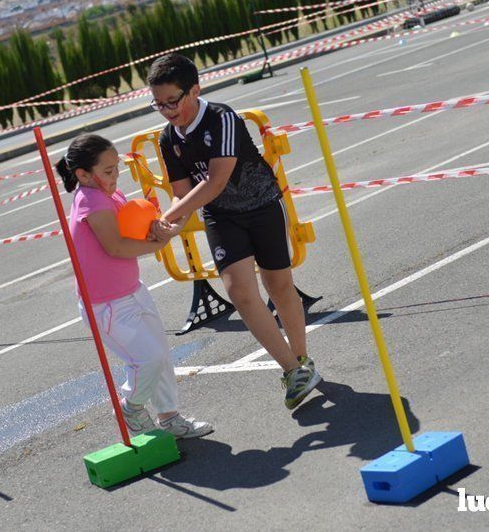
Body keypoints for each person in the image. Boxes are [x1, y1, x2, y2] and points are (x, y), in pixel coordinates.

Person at [147, 53, 321, 410]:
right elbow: (184, 196)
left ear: (194, 90)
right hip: (222, 216)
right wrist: (166, 229)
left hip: (261, 205)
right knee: (240, 293)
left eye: (172, 102)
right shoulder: (168, 139)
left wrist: (169, 215)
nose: (167, 111)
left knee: (278, 285)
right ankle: (291, 370)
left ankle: (302, 358)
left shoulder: (222, 118)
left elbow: (215, 180)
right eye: (158, 105)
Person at [56, 133, 213, 438]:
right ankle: (131, 405)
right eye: (108, 171)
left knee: (161, 356)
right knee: (147, 359)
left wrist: (155, 227)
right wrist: (159, 242)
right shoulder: (91, 200)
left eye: (117, 168)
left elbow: (133, 230)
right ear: (82, 174)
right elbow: (115, 246)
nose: (116, 176)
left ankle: (170, 418)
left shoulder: (110, 194)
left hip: (131, 290)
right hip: (106, 304)